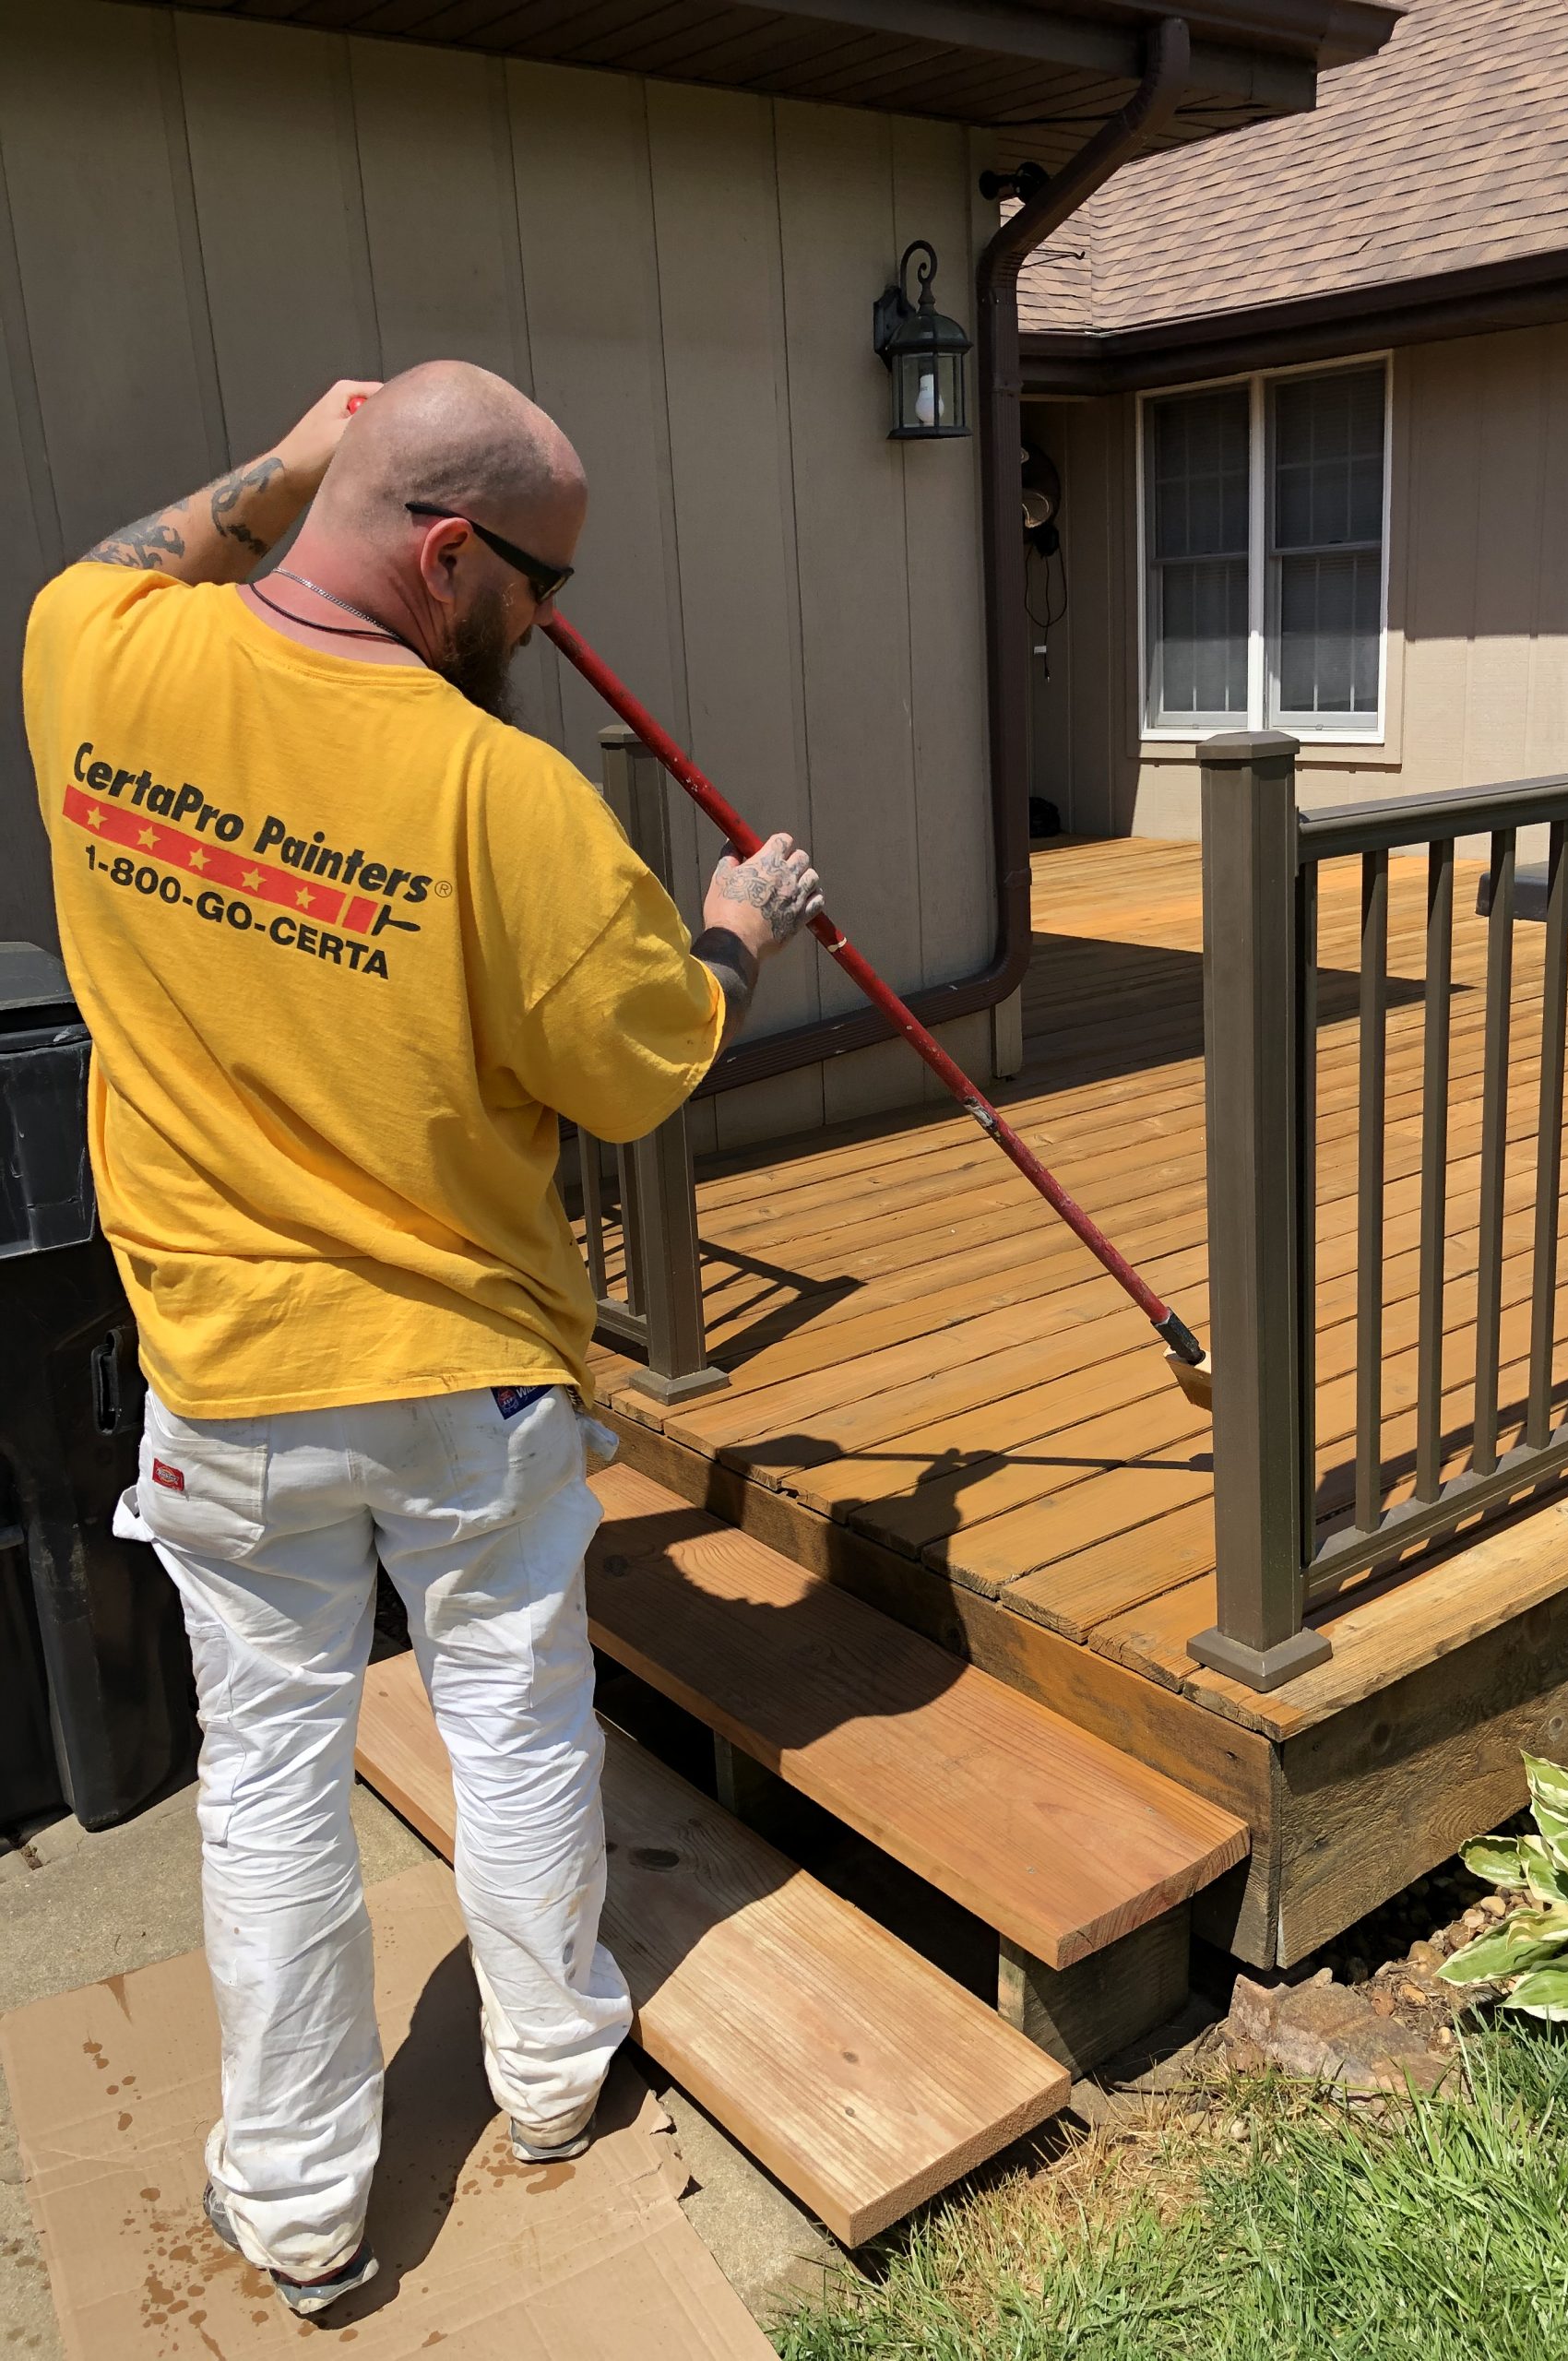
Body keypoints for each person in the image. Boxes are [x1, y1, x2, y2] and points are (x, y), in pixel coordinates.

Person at [20, 363, 823, 2319]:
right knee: (520, 1723)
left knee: (271, 1774)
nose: (545, 625)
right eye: (543, 585)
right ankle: (552, 2080)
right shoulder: (506, 798)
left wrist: (293, 458)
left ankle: (300, 2203)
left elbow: (128, 558)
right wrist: (738, 926)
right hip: (468, 1373)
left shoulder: (93, 657)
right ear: (451, 555)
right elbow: (642, 1067)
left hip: (229, 1380)